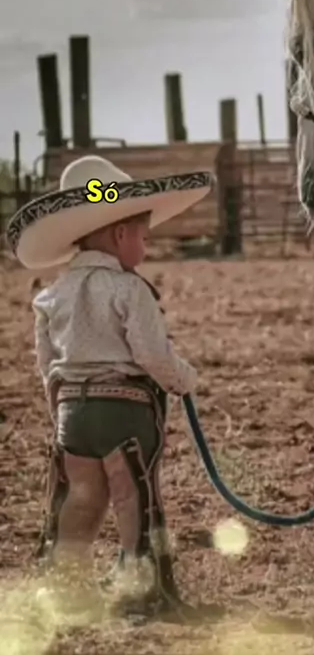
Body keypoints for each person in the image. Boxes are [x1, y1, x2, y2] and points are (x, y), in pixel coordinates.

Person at [6, 154, 214, 620]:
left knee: (79, 500)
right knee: (132, 498)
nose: (146, 246)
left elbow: (47, 365)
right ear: (120, 235)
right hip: (126, 413)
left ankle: (65, 588)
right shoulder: (129, 290)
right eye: (143, 237)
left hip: (73, 415)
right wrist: (184, 379)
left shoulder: (51, 295)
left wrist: (60, 413)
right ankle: (142, 591)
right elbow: (152, 355)